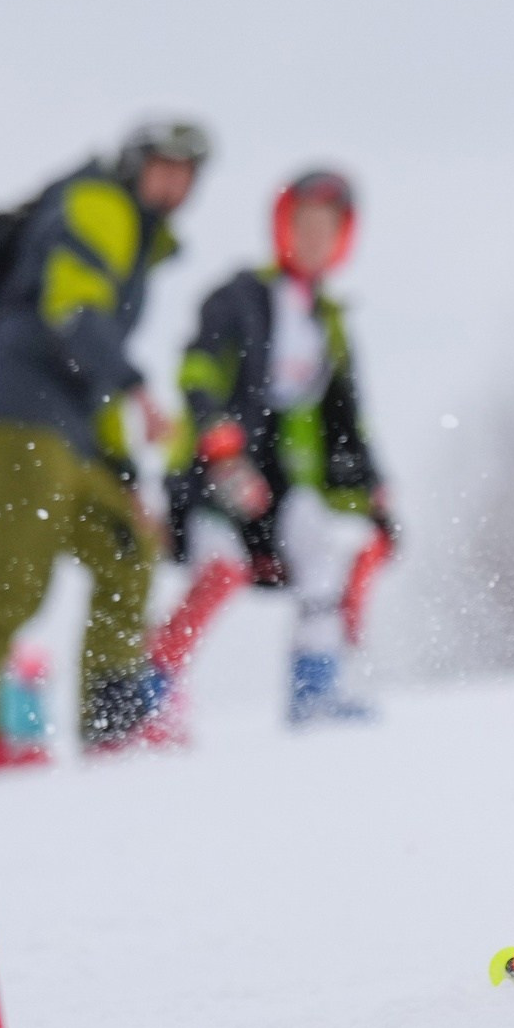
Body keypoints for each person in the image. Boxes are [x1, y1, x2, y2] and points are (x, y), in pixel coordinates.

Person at [0, 119, 208, 766]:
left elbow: (95, 367)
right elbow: (73, 306)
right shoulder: (100, 204)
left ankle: (111, 722)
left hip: (69, 424)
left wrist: (122, 473)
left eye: (187, 171)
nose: (175, 181)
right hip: (16, 409)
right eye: (164, 165)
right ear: (134, 163)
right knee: (15, 574)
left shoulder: (137, 239)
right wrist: (138, 387)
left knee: (129, 545)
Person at [150, 170, 393, 725]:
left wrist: (373, 487)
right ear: (282, 226)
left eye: (326, 229)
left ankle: (316, 691)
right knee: (222, 569)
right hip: (216, 469)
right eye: (303, 224)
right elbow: (198, 367)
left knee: (322, 554)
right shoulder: (239, 297)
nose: (313, 238)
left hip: (283, 483)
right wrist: (215, 433)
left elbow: (347, 419)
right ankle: (152, 692)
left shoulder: (327, 323)